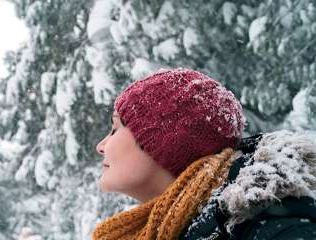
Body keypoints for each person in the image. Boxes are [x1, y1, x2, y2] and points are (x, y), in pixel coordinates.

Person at [92, 68, 316, 240]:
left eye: (115, 129)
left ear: (166, 140)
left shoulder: (271, 229)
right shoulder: (167, 229)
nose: (101, 146)